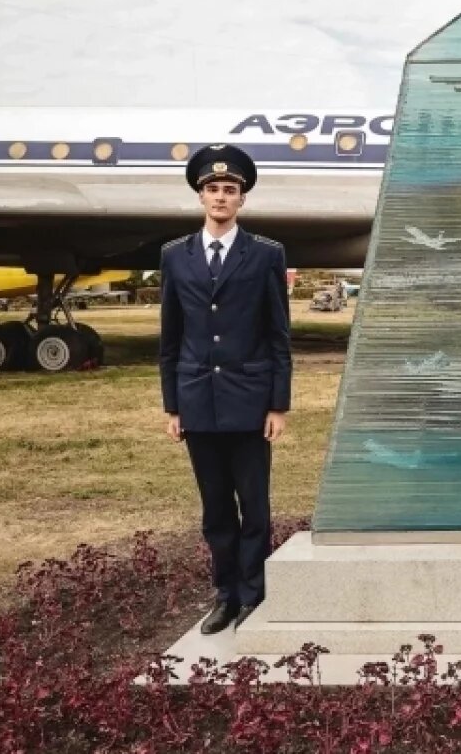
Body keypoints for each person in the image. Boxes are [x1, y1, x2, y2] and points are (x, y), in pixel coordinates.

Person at [159, 143, 292, 635]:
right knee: (215, 508)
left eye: (230, 190)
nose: (220, 197)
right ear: (201, 197)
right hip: (197, 401)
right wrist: (173, 405)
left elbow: (279, 335)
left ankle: (253, 594)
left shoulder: (265, 255)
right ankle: (225, 595)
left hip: (250, 401)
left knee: (253, 505)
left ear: (242, 200)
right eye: (212, 189)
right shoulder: (176, 257)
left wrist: (278, 404)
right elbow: (170, 338)